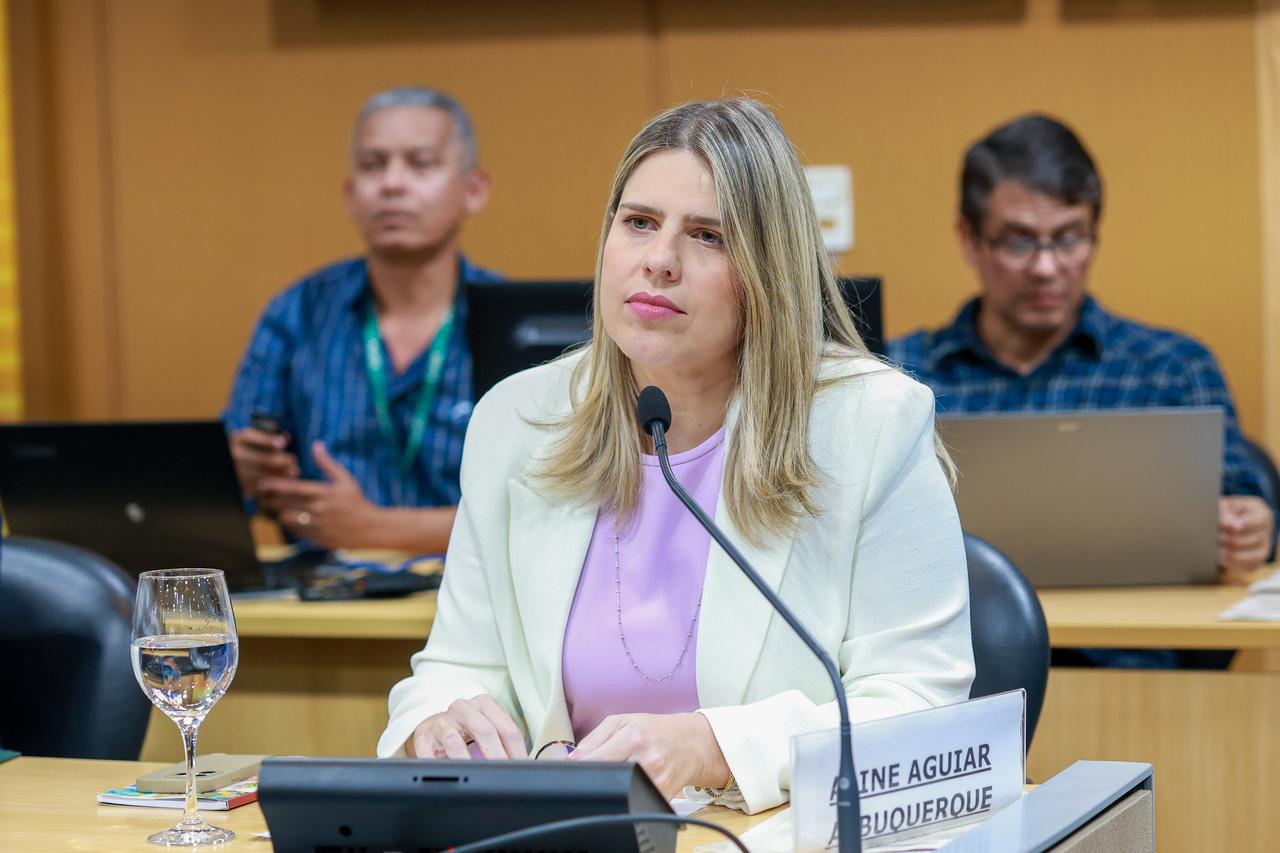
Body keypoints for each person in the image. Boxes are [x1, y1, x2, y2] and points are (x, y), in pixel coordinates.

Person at [377, 98, 974, 814]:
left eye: (707, 236)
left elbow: (922, 703)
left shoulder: (869, 423)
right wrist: (438, 720)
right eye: (638, 223)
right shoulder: (518, 419)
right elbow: (457, 663)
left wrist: (712, 745)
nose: (658, 261)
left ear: (768, 269)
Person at [889, 114, 1277, 586]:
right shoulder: (899, 375)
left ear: (1095, 234)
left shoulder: (1171, 369)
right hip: (963, 650)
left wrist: (1252, 526)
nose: (1046, 267)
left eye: (1069, 238)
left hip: (1134, 650)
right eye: (1019, 241)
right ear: (970, 240)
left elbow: (1247, 509)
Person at [224, 87, 501, 552]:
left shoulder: (511, 321)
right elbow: (230, 487)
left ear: (473, 190)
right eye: (372, 166)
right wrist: (242, 471)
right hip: (324, 602)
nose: (392, 184)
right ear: (351, 196)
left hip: (473, 601)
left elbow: (551, 507)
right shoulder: (297, 314)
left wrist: (376, 529)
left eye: (421, 163)